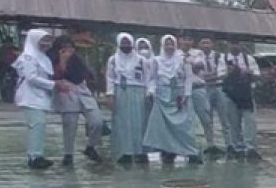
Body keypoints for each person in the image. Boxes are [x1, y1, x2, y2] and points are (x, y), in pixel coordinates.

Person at [144, 35, 202, 165]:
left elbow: (189, 78)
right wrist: (151, 92)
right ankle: (167, 151)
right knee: (164, 127)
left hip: (179, 96)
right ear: (162, 45)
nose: (169, 47)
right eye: (167, 44)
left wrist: (186, 95)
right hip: (162, 97)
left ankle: (190, 152)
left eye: (172, 44)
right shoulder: (156, 61)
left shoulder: (182, 60)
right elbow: (152, 79)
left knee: (184, 126)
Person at [49, 35, 104, 166]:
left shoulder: (79, 59)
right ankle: (68, 155)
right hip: (66, 89)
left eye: (70, 47)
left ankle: (90, 147)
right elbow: (56, 75)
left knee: (97, 122)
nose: (69, 50)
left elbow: (87, 75)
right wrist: (63, 60)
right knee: (70, 124)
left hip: (82, 89)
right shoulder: (52, 59)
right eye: (65, 48)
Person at [14, 29, 61, 170]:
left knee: (39, 126)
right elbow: (31, 77)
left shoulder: (42, 57)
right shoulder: (28, 57)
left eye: (48, 41)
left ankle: (37, 155)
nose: (46, 44)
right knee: (36, 125)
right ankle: (35, 157)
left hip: (39, 96)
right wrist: (54, 85)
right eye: (42, 41)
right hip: (30, 96)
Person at [105, 33, 151, 165]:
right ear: (119, 44)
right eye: (123, 43)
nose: (126, 45)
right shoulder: (113, 60)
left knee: (139, 122)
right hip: (121, 92)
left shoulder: (141, 60)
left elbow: (147, 78)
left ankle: (141, 152)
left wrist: (148, 93)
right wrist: (110, 95)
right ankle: (125, 152)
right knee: (122, 123)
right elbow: (110, 78)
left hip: (138, 92)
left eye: (128, 42)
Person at [218, 41, 262, 161]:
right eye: (233, 44)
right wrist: (230, 71)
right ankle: (237, 148)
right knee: (233, 122)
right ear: (228, 45)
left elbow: (258, 75)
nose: (235, 46)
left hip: (246, 94)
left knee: (250, 122)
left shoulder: (249, 59)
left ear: (241, 45)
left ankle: (251, 148)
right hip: (230, 94)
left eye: (237, 44)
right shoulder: (224, 59)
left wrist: (247, 73)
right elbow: (220, 76)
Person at [188, 37, 228, 158]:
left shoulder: (219, 56)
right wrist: (210, 76)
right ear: (199, 45)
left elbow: (223, 74)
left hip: (219, 88)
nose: (206, 45)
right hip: (204, 89)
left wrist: (206, 77)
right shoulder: (195, 57)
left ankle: (229, 144)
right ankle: (210, 144)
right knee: (207, 117)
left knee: (224, 117)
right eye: (203, 42)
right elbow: (194, 73)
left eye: (208, 43)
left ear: (212, 44)